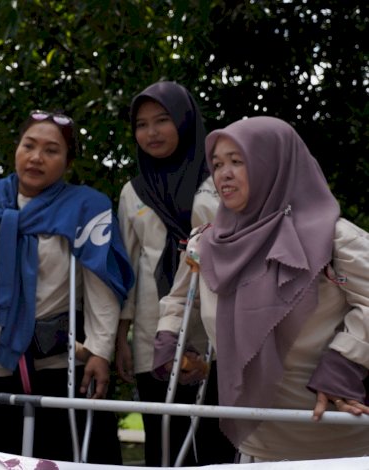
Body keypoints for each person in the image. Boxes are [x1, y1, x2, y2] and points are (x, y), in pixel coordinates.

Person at [154, 116, 369, 462]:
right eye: (218, 163)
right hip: (258, 443)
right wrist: (170, 341)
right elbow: (180, 300)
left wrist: (345, 363)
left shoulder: (336, 237)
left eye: (238, 161)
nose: (223, 173)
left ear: (275, 166)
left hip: (342, 439)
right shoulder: (205, 243)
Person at [0, 110, 132, 463]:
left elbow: (100, 283)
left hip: (61, 363)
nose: (36, 157)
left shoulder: (85, 207)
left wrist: (100, 351)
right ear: (16, 149)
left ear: (67, 162)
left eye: (51, 150)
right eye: (29, 145)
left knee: (68, 456)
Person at [114, 81, 233, 465]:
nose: (151, 133)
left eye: (162, 120)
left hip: (219, 329)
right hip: (155, 332)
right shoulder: (132, 192)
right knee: (165, 441)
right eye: (142, 124)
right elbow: (129, 270)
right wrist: (121, 337)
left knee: (218, 439)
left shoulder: (219, 182)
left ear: (184, 121)